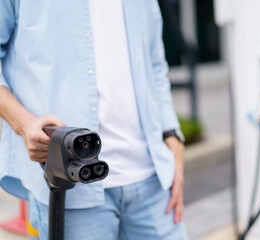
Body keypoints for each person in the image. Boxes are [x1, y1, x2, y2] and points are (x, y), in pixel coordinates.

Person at [0, 0, 188, 239]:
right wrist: (24, 125)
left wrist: (172, 134)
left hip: (153, 181)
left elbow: (155, 65)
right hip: (70, 188)